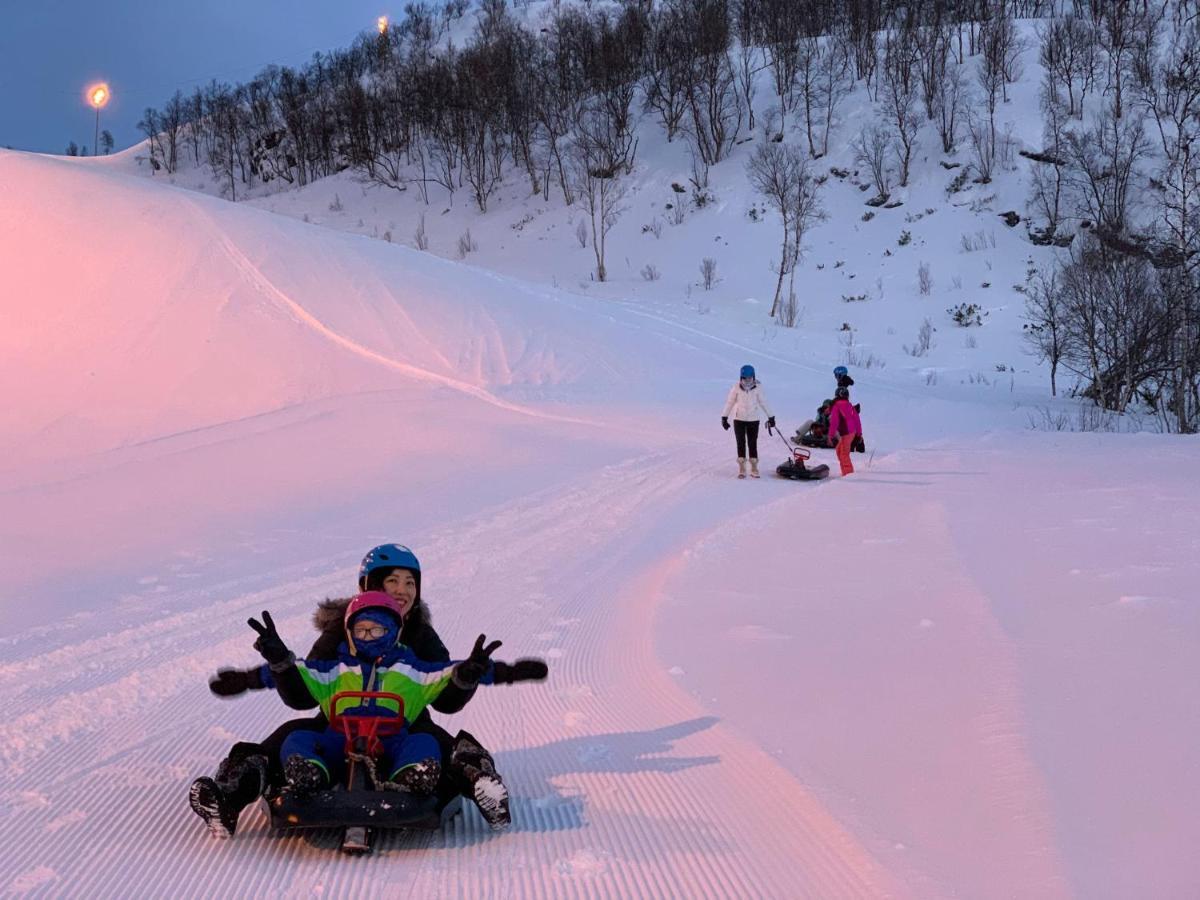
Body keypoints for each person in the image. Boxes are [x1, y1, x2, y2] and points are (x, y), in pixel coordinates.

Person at [189, 544, 543, 836]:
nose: (402, 591)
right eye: (392, 581)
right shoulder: (341, 631)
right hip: (340, 718)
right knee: (287, 736)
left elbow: (446, 688)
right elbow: (306, 685)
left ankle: (479, 783)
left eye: (410, 583)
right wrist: (274, 666)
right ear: (368, 587)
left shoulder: (420, 632)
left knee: (440, 744)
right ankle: (232, 793)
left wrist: (479, 673)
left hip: (404, 718)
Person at [248, 592, 537, 802]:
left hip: (392, 738)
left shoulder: (412, 669)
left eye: (377, 629)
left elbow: (451, 673)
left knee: (424, 741)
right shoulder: (334, 669)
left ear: (394, 632)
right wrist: (279, 661)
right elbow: (299, 673)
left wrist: (487, 672)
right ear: (349, 634)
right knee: (297, 738)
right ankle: (310, 772)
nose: (368, 636)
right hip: (339, 735)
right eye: (361, 630)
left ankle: (411, 775)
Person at [721, 364, 775, 479]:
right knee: (740, 442)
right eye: (745, 378)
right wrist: (724, 417)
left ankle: (754, 467)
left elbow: (763, 402)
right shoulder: (736, 387)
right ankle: (742, 467)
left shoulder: (758, 388)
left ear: (754, 377)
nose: (748, 381)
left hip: (753, 420)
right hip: (739, 419)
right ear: (741, 378)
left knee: (752, 443)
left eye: (750, 378)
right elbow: (730, 402)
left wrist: (771, 417)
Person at [828, 386, 863, 476]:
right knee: (839, 450)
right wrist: (859, 434)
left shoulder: (836, 406)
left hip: (846, 432)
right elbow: (857, 420)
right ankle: (845, 471)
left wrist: (830, 436)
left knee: (844, 453)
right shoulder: (850, 405)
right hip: (852, 432)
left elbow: (834, 422)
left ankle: (848, 474)